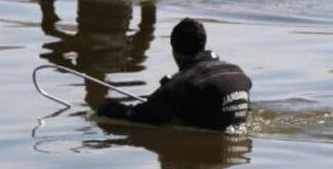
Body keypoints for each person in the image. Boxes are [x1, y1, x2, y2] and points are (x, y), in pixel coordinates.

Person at [97, 18, 251, 131]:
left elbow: (140, 115)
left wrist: (106, 108)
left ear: (174, 52)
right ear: (203, 44)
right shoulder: (237, 71)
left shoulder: (182, 83)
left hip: (216, 137)